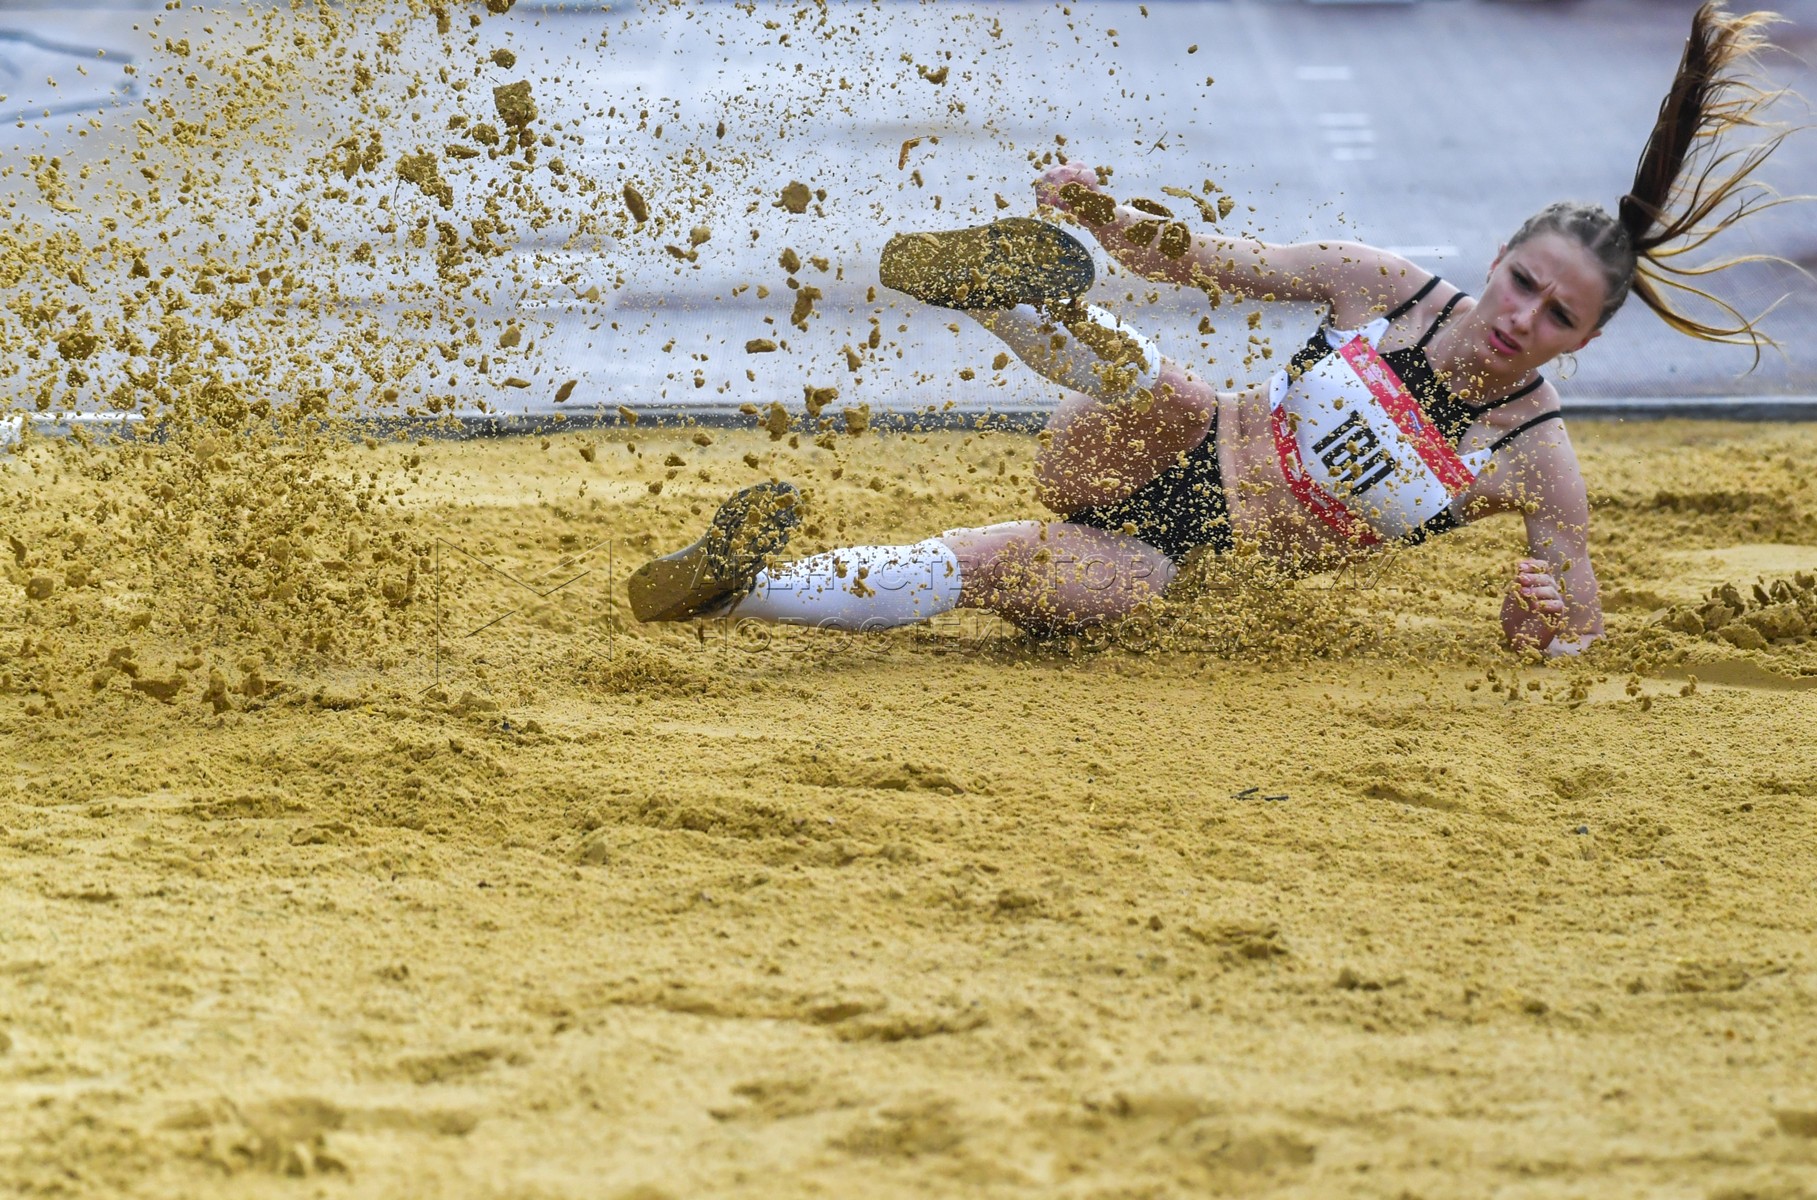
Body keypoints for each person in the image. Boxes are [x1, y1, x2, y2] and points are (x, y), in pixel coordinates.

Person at [629, 1, 1797, 656]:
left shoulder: (1534, 464)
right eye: (1522, 285)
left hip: (1178, 567)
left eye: (1556, 315)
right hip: (1136, 439)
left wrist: (1538, 622)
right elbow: (1195, 258)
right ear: (1494, 264)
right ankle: (1005, 290)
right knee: (1165, 385)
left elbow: (1566, 637)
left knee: (1004, 569)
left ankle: (733, 587)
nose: (1521, 319)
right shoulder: (1377, 286)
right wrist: (1104, 215)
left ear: (1579, 345)